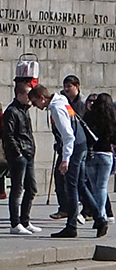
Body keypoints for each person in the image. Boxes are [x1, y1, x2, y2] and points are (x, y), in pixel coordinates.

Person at [30, 83, 87, 238]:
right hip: (80, 144)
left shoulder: (56, 108)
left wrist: (65, 159)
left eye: (35, 102)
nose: (36, 107)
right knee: (79, 184)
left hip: (73, 147)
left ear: (42, 98)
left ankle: (72, 226)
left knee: (72, 187)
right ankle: (98, 217)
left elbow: (68, 135)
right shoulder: (61, 99)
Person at [2, 81, 41, 235]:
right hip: (20, 155)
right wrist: (18, 152)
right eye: (27, 95)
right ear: (19, 95)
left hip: (28, 153)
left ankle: (25, 220)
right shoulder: (12, 111)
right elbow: (8, 135)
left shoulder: (24, 110)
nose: (30, 98)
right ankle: (15, 223)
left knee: (31, 188)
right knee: (17, 189)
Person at [49, 74, 88, 220]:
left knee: (79, 181)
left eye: (69, 86)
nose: (66, 89)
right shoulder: (62, 100)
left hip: (77, 144)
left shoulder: (82, 103)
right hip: (65, 144)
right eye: (65, 86)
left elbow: (75, 127)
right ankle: (64, 208)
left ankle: (90, 210)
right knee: (61, 177)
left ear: (76, 86)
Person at [82, 92, 115, 238]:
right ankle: (101, 215)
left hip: (91, 154)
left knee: (93, 186)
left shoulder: (89, 116)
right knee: (102, 186)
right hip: (106, 153)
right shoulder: (112, 117)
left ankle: (99, 216)